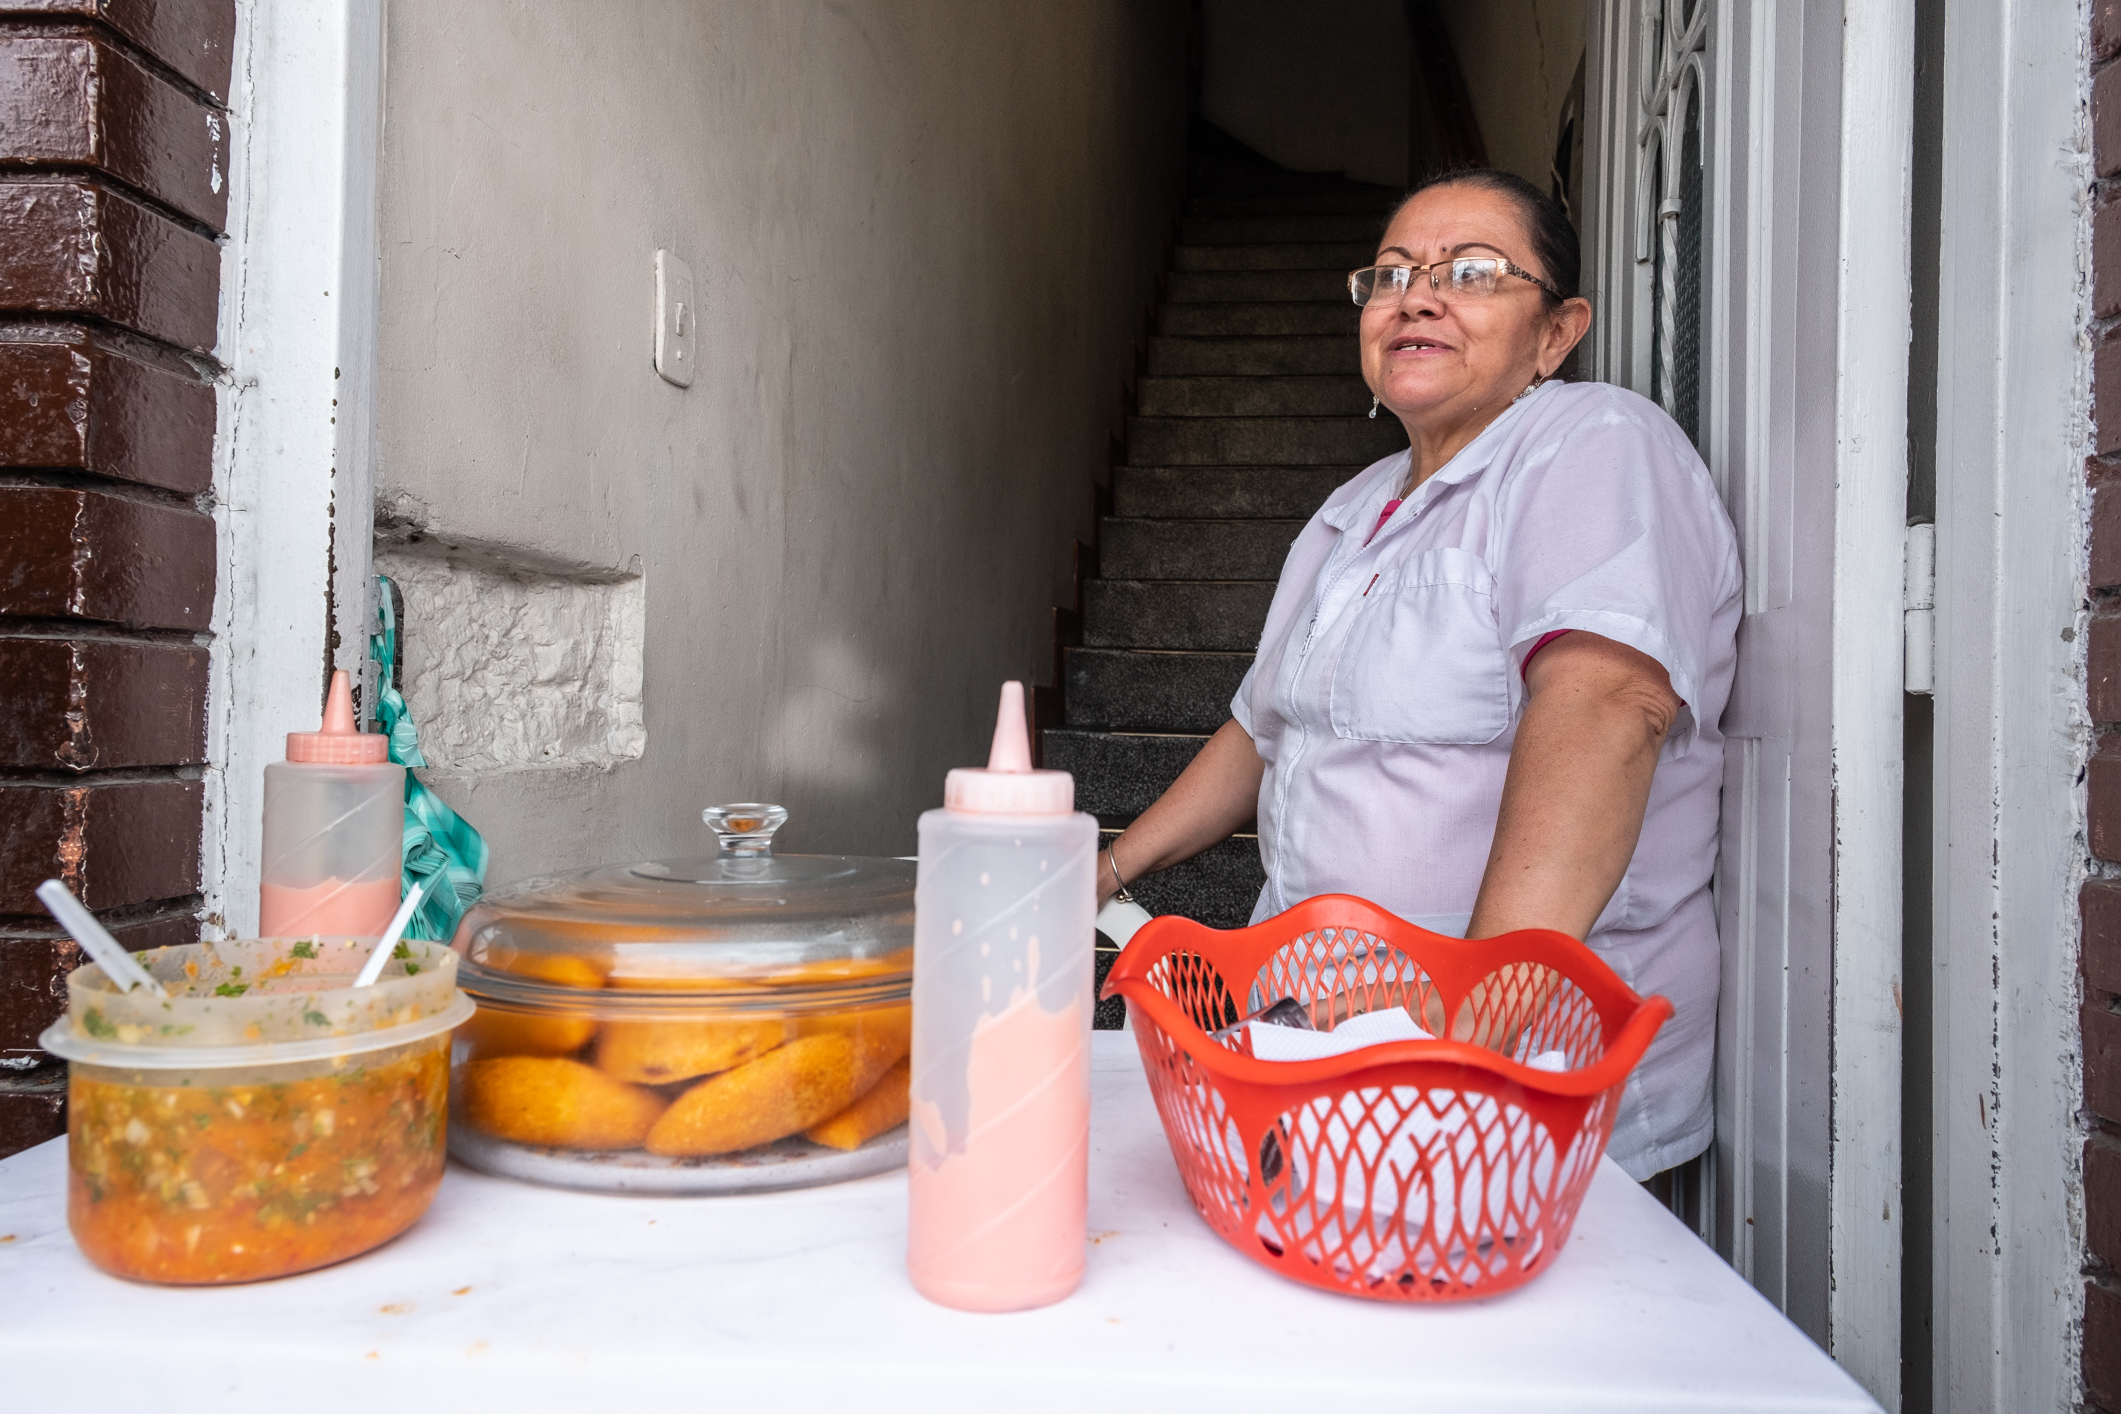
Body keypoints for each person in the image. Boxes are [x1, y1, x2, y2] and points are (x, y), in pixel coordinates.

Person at [1095, 168, 1741, 1181]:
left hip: (1512, 1086)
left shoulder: (1595, 446)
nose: (1418, 295)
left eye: (1474, 272)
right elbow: (1261, 734)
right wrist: (1105, 869)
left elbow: (1610, 705)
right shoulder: (1352, 513)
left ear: (1557, 332)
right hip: (1321, 1044)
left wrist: (1471, 1019)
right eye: (1391, 274)